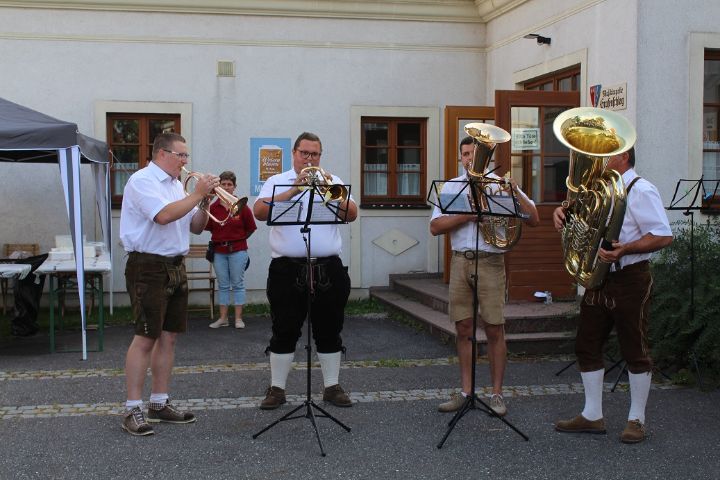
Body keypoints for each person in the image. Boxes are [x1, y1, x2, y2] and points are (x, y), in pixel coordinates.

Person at [553, 147, 673, 444]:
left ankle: (636, 420)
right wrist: (562, 215)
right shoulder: (596, 189)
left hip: (630, 277)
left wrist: (625, 248)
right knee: (587, 343)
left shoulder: (641, 189)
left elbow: (663, 234)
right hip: (598, 276)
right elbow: (581, 223)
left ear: (624, 158)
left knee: (634, 347)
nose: (598, 160)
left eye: (606, 155)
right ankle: (592, 415)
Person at [430, 136, 540, 416]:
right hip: (460, 262)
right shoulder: (452, 187)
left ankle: (497, 394)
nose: (469, 159)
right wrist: (468, 216)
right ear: (460, 157)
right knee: (463, 328)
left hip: (491, 261)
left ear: (487, 158)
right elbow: (436, 226)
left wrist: (516, 193)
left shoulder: (501, 185)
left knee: (494, 328)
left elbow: (534, 217)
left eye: (474, 154)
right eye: (465, 154)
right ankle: (466, 391)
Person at [119, 132, 219, 436]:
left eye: (186, 156)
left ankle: (159, 403)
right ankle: (132, 408)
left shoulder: (177, 185)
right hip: (147, 266)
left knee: (169, 337)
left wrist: (204, 204)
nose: (186, 161)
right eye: (181, 155)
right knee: (146, 337)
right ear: (162, 154)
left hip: (175, 265)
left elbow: (197, 228)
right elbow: (162, 216)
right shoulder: (142, 181)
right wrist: (196, 194)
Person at [253, 131, 358, 410]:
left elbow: (352, 213)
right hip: (287, 268)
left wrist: (329, 191)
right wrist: (293, 191)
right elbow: (259, 212)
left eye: (315, 154)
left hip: (328, 266)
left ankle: (332, 386)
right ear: (294, 154)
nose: (309, 158)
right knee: (284, 328)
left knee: (330, 327)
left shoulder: (332, 181)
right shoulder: (277, 182)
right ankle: (277, 389)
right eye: (305, 153)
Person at [205, 171, 257, 329]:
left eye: (229, 185)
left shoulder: (242, 207)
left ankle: (238, 319)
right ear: (218, 187)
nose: (226, 187)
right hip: (219, 251)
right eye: (223, 184)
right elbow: (207, 227)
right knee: (223, 285)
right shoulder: (213, 207)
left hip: (238, 250)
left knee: (238, 284)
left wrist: (238, 240)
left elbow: (251, 228)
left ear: (234, 187)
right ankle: (223, 318)